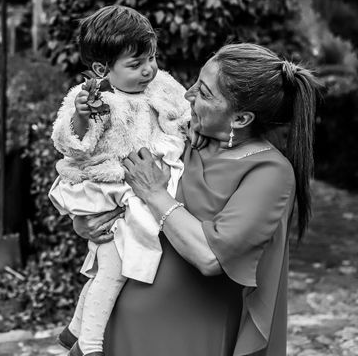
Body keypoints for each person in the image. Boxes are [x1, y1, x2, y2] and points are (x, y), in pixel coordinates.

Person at [72, 42, 321, 356]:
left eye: (204, 93)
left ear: (241, 118)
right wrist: (86, 221)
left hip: (188, 336)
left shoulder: (269, 173)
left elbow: (211, 256)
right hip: (118, 327)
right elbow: (112, 186)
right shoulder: (175, 138)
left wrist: (154, 193)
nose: (188, 94)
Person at [49, 5, 191, 356]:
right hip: (110, 191)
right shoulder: (94, 100)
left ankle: (75, 330)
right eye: (136, 64)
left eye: (152, 58)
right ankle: (90, 346)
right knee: (112, 268)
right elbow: (69, 143)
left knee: (105, 268)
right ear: (102, 69)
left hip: (141, 191)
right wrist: (82, 119)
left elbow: (185, 113)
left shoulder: (162, 86)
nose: (149, 69)